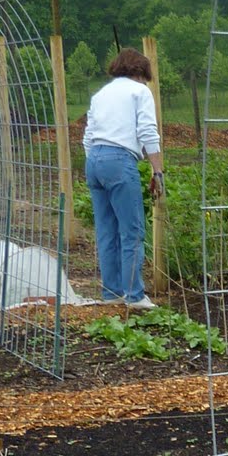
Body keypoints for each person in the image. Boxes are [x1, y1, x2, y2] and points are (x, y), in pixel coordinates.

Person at [83, 48, 164, 308]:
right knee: (132, 231)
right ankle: (135, 295)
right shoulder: (139, 92)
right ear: (140, 73)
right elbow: (148, 131)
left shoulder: (100, 94)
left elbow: (88, 135)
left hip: (94, 160)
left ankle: (112, 293)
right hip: (119, 161)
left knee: (107, 231)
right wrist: (158, 171)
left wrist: (98, 159)